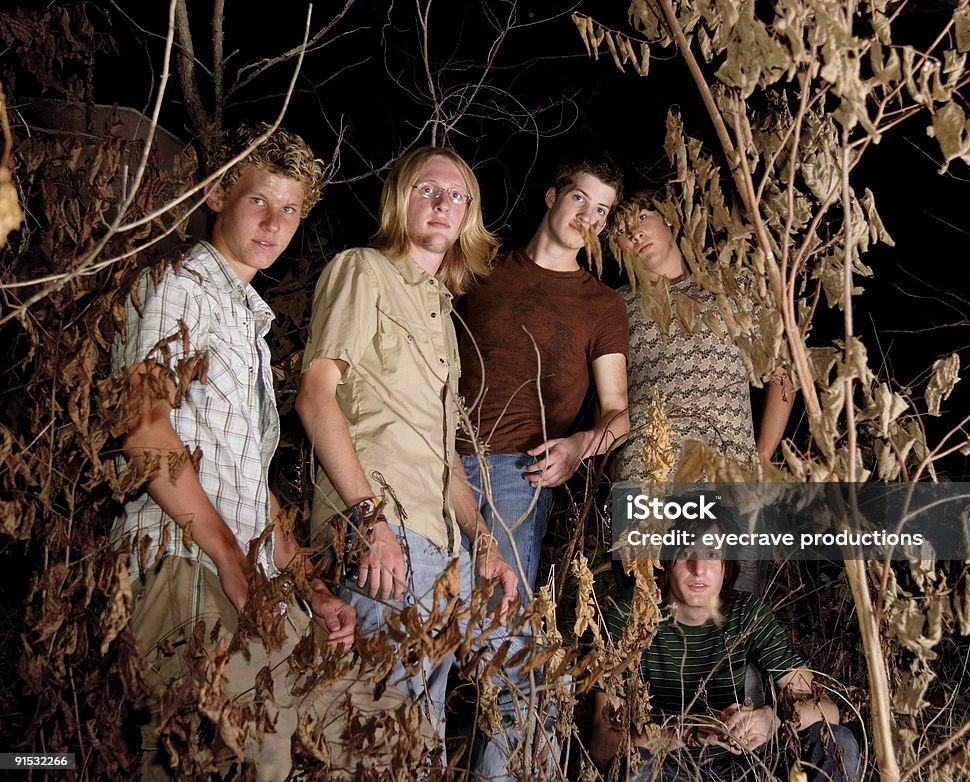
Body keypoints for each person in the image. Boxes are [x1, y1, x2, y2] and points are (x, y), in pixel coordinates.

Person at [111, 124, 406, 781]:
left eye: (291, 209)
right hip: (181, 561)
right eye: (259, 201)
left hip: (244, 572)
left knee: (359, 734)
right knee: (200, 758)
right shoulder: (178, 289)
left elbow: (249, 484)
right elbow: (143, 430)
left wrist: (308, 584)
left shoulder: (247, 322)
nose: (276, 223)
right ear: (219, 193)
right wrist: (227, 560)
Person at [296, 146, 552, 780]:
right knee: (386, 740)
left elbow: (445, 462)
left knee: (508, 692)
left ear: (469, 217)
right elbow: (315, 395)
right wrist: (368, 518)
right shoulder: (362, 271)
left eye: (458, 196)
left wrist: (486, 543)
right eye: (428, 190)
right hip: (383, 537)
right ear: (401, 200)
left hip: (445, 550)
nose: (444, 203)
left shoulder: (442, 313)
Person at [457, 154, 631, 599]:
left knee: (497, 624)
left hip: (519, 473)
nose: (587, 216)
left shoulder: (602, 305)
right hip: (435, 459)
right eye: (579, 198)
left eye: (601, 210)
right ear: (553, 196)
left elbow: (617, 412)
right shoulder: (479, 269)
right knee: (420, 624)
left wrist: (579, 447)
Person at [591, 508, 861, 781]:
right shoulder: (628, 618)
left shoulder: (745, 612)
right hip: (668, 769)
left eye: (711, 555)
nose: (699, 569)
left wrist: (776, 720)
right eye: (685, 554)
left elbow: (826, 709)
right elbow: (603, 746)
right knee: (635, 765)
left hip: (747, 769)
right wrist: (690, 733)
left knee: (837, 742)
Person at [610, 189, 796, 485]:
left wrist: (761, 456)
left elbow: (782, 374)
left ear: (668, 220)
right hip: (646, 475)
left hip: (727, 470)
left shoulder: (733, 285)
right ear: (615, 246)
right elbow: (608, 399)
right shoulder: (614, 306)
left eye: (642, 218)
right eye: (621, 231)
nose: (635, 234)